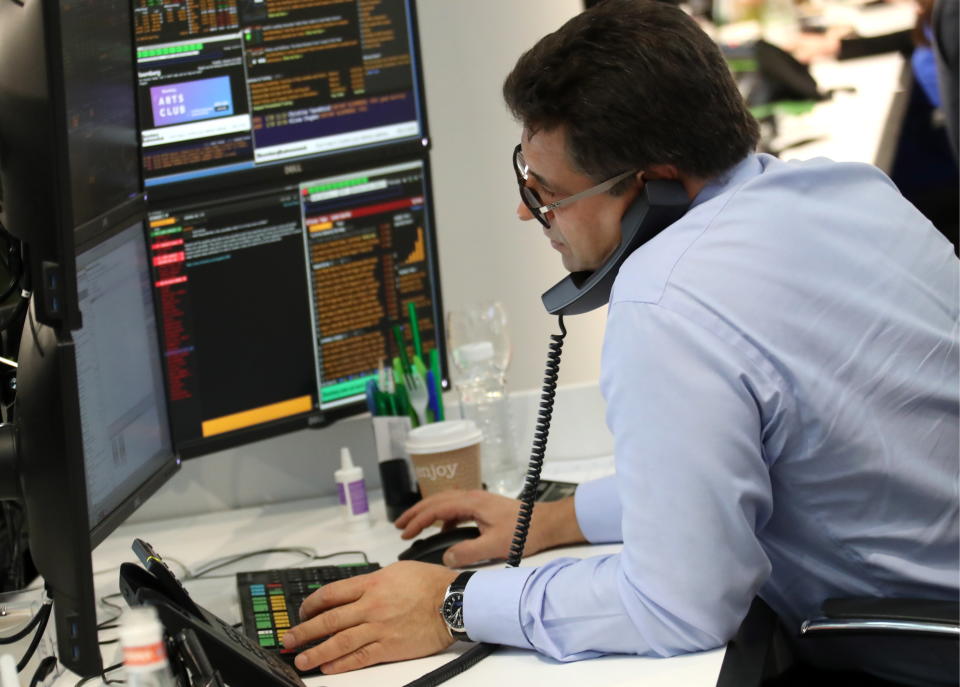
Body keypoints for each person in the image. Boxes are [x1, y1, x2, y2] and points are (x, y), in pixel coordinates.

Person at [280, 0, 959, 681]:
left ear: (656, 187)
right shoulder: (847, 188)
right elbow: (731, 472)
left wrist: (451, 602)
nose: (527, 210)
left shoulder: (668, 297)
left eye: (547, 192)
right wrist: (553, 518)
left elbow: (678, 605)